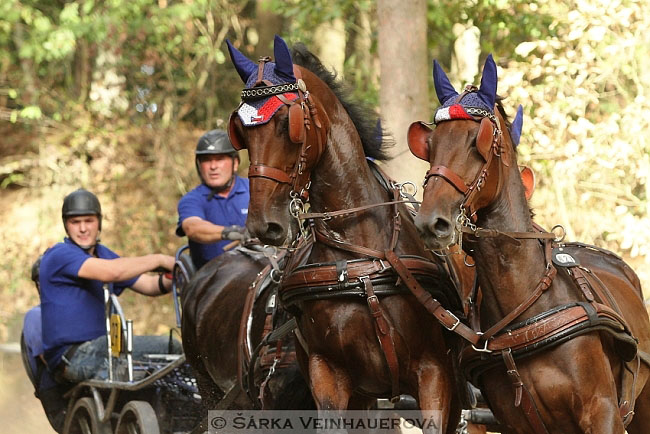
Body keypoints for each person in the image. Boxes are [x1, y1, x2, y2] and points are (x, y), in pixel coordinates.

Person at [39, 188, 181, 384]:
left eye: (89, 221)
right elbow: (112, 272)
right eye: (75, 222)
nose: (83, 229)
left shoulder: (103, 254)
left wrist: (174, 274)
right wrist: (160, 259)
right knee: (170, 349)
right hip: (76, 355)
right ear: (66, 226)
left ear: (99, 223)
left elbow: (149, 284)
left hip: (106, 348)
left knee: (169, 355)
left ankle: (182, 409)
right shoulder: (60, 254)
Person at [176, 129, 249, 269]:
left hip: (260, 271)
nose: (213, 166)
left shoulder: (255, 189)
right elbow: (192, 227)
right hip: (211, 277)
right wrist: (233, 233)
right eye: (207, 160)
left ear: (235, 163)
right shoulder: (192, 199)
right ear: (199, 165)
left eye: (220, 159)